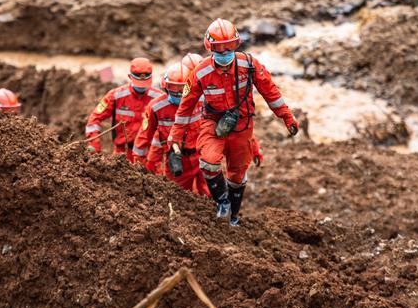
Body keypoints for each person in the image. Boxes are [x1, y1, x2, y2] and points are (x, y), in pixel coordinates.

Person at [168, 19, 299, 226]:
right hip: (212, 123)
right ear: (210, 48)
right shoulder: (201, 73)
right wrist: (175, 137)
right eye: (219, 49)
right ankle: (222, 202)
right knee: (208, 162)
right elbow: (185, 107)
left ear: (237, 44)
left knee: (238, 175)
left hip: (243, 127)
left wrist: (286, 116)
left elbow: (270, 91)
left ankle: (234, 218)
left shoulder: (249, 65)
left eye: (229, 47)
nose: (225, 52)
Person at [134, 62, 209, 195]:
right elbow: (144, 136)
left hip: (203, 155)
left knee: (211, 196)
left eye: (182, 89)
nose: (179, 93)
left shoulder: (202, 100)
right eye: (174, 88)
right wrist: (138, 164)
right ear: (166, 87)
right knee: (177, 197)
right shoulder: (156, 107)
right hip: (177, 159)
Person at [85, 57, 161, 162]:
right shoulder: (116, 95)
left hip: (149, 156)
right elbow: (94, 119)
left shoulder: (158, 98)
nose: (142, 87)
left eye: (145, 83)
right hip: (121, 155)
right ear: (130, 77)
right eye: (139, 83)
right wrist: (94, 145)